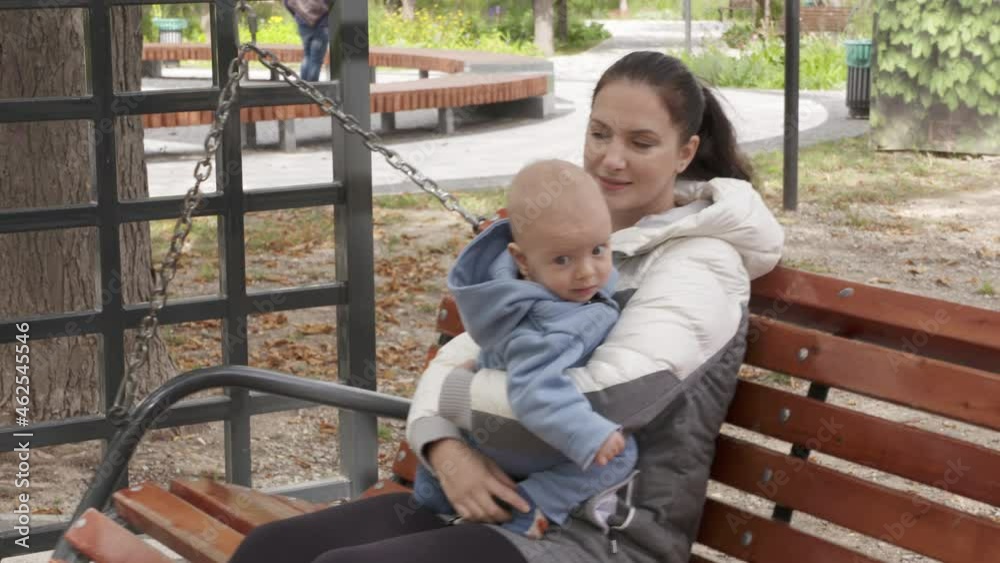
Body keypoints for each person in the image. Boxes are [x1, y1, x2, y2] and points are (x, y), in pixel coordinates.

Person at [227, 50, 784, 563]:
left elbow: (604, 401)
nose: (611, 159)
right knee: (272, 550)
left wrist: (450, 399)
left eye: (640, 143)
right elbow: (462, 355)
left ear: (685, 152)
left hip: (598, 531)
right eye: (599, 134)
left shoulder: (701, 265)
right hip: (486, 496)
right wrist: (446, 448)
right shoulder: (563, 243)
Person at [410, 159, 639, 540]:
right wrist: (588, 433)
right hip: (517, 432)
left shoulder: (512, 296)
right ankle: (528, 507)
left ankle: (436, 493)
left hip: (481, 429)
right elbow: (533, 391)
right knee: (620, 456)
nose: (586, 273)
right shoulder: (555, 326)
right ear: (522, 260)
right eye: (563, 260)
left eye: (599, 250)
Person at [283, 0, 330, 82]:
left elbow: (287, 2)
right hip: (321, 24)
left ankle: (303, 85)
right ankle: (312, 87)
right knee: (316, 60)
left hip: (303, 23)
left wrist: (297, 15)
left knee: (307, 56)